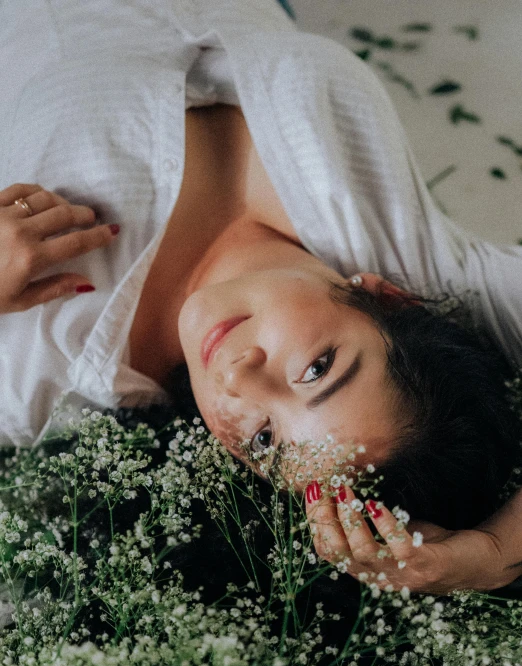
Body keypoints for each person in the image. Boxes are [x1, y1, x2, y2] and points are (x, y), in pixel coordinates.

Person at [0, 0, 521, 594]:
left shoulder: (42, 363)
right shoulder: (407, 250)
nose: (240, 381)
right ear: (390, 300)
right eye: (317, 368)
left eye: (265, 440)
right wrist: (496, 550)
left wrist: (483, 557)